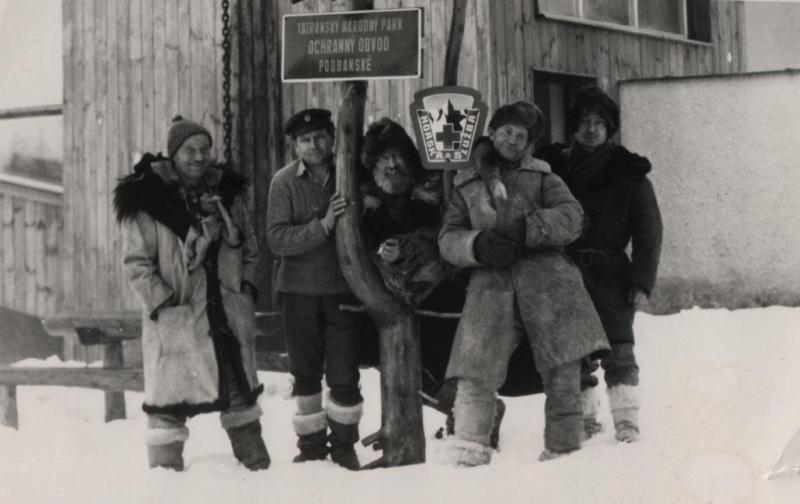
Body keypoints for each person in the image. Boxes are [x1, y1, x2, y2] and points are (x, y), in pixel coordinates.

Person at [438, 101, 609, 466]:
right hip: (491, 287)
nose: (512, 140)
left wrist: (528, 227)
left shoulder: (545, 178)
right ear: (493, 132)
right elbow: (447, 237)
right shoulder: (466, 183)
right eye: (506, 131)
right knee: (475, 371)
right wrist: (477, 245)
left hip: (549, 282)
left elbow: (572, 218)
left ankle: (565, 455)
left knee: (563, 367)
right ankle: (468, 455)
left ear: (529, 143)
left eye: (521, 135)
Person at [114, 116, 269, 471]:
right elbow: (136, 263)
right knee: (169, 406)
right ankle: (164, 482)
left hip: (226, 312)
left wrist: (245, 287)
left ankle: (257, 476)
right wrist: (164, 304)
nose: (199, 157)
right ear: (173, 155)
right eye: (190, 150)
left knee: (239, 394)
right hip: (178, 319)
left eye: (205, 149)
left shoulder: (225, 195)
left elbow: (250, 248)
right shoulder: (148, 201)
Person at [536, 86, 663, 443]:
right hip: (562, 272)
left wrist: (641, 281)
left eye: (599, 123)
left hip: (611, 275)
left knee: (619, 349)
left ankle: (627, 421)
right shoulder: (550, 168)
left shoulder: (630, 173)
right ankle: (586, 420)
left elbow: (649, 233)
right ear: (573, 126)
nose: (591, 130)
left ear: (609, 129)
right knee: (572, 351)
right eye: (584, 122)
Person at [266, 108, 363, 470]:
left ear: (332, 137)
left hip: (343, 289)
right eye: (305, 140)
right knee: (305, 372)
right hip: (298, 292)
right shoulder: (284, 182)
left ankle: (343, 445)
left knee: (344, 372)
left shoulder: (348, 174)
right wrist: (322, 226)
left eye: (320, 137)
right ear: (294, 146)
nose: (314, 145)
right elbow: (277, 238)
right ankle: (310, 446)